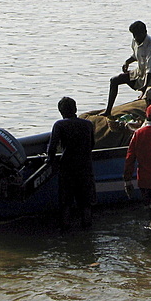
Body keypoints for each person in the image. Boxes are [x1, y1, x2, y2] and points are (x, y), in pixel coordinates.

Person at [46, 96, 96, 229]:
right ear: (75, 109)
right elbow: (92, 145)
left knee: (66, 203)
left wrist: (50, 161)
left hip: (67, 169)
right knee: (85, 204)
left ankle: (65, 233)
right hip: (85, 168)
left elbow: (52, 148)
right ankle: (87, 233)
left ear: (61, 112)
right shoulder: (88, 124)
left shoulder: (59, 125)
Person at [104, 20, 151, 117]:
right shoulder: (135, 41)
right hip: (140, 72)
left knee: (150, 96)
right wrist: (127, 62)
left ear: (145, 33)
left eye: (137, 35)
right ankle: (108, 111)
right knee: (114, 80)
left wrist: (144, 90)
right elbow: (136, 56)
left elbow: (150, 70)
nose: (135, 38)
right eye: (134, 35)